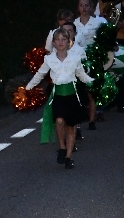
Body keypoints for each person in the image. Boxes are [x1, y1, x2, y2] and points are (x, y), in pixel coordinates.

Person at [25, 29, 94, 169]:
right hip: (58, 96)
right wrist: (28, 88)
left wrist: (94, 81)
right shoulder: (49, 59)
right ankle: (62, 147)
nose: (61, 42)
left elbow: (81, 75)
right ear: (54, 43)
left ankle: (68, 157)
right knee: (59, 120)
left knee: (70, 127)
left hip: (72, 95)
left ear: (69, 42)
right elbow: (40, 74)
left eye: (64, 39)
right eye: (58, 39)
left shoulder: (75, 58)